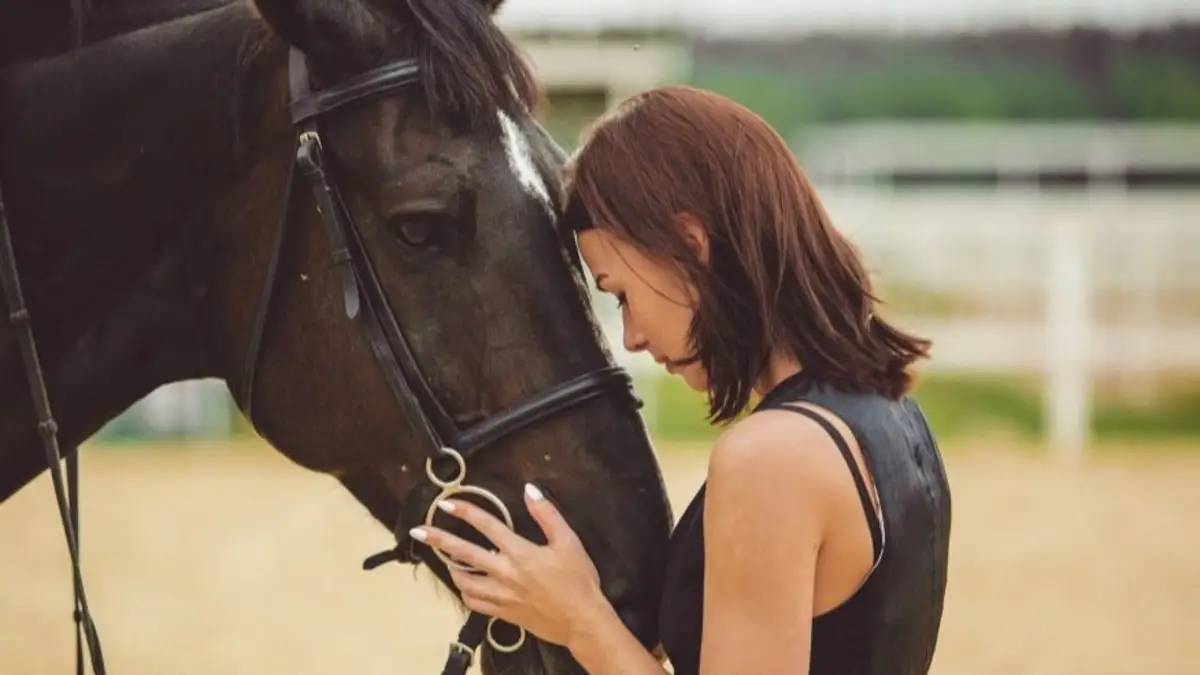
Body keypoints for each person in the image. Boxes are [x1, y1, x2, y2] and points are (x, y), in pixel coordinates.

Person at [408, 85, 952, 675]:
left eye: (620, 293)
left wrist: (580, 619)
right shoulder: (891, 416)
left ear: (691, 246)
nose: (631, 337)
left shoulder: (772, 459)